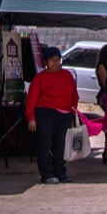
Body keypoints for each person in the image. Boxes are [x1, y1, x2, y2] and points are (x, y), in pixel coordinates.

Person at [25, 46, 80, 185]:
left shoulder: (67, 75)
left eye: (57, 60)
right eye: (52, 61)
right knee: (45, 144)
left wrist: (73, 109)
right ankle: (46, 174)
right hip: (45, 113)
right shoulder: (40, 79)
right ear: (46, 62)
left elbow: (75, 94)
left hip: (65, 114)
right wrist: (31, 118)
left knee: (60, 145)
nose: (55, 63)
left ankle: (60, 173)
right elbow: (31, 99)